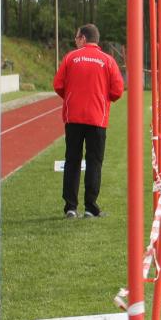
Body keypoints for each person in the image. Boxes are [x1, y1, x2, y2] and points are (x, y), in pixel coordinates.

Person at [53, 24, 124, 218]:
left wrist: (71, 97)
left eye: (76, 38)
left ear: (83, 38)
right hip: (97, 119)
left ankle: (70, 206)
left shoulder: (70, 57)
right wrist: (102, 99)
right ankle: (91, 207)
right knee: (94, 162)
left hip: (73, 117)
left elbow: (58, 84)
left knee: (72, 161)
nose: (75, 41)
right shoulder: (108, 61)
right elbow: (118, 90)